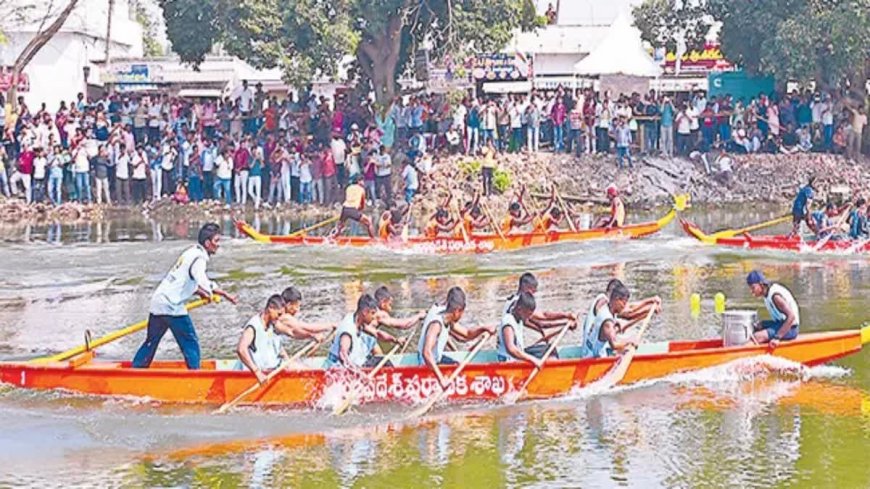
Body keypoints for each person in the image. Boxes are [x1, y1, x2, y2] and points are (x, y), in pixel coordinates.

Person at [132, 223, 238, 369]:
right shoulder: (200, 258)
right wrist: (208, 292)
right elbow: (201, 280)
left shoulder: (191, 252)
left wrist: (218, 293)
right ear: (207, 243)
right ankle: (195, 377)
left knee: (151, 342)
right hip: (171, 305)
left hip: (159, 301)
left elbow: (184, 281)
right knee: (190, 342)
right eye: (216, 241)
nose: (218, 245)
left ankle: (136, 370)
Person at [417, 287, 495, 389]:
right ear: (457, 311)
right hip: (427, 364)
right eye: (462, 313)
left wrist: (484, 328)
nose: (462, 316)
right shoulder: (436, 324)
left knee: (457, 365)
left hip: (435, 360)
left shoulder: (446, 315)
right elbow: (426, 353)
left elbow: (466, 334)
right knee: (460, 371)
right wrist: (441, 380)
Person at [324, 294, 404, 369]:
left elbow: (377, 334)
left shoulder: (357, 319)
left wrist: (395, 340)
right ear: (365, 312)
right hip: (338, 369)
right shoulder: (347, 330)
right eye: (372, 313)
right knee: (383, 362)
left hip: (355, 364)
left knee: (383, 361)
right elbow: (343, 354)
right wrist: (358, 372)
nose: (374, 318)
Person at [503, 273, 575, 352]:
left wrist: (564, 324)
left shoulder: (511, 301)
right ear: (525, 287)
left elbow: (538, 324)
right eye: (532, 291)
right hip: (513, 354)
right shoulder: (521, 306)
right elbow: (543, 317)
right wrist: (567, 316)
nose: (533, 296)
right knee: (550, 351)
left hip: (515, 349)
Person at [235, 294, 290, 384]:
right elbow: (241, 349)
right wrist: (257, 373)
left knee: (299, 367)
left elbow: (279, 345)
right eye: (279, 314)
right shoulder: (253, 326)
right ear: (270, 308)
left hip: (273, 368)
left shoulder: (272, 324)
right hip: (258, 374)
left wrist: (287, 360)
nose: (279, 318)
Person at [580, 282, 639, 358]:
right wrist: (630, 341)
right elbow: (614, 345)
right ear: (617, 300)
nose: (624, 307)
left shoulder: (606, 308)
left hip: (590, 352)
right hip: (592, 358)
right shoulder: (607, 322)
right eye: (624, 303)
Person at [746, 270, 799, 345]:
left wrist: (777, 337)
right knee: (757, 325)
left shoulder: (775, 297)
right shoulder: (766, 293)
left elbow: (791, 317)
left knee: (757, 336)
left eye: (753, 287)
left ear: (761, 284)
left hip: (791, 328)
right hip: (780, 323)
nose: (751, 291)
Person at [497, 291, 543, 367]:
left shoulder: (519, 318)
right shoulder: (508, 322)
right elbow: (511, 349)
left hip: (517, 359)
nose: (529, 318)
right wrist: (533, 360)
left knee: (548, 351)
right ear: (519, 309)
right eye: (527, 315)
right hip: (508, 363)